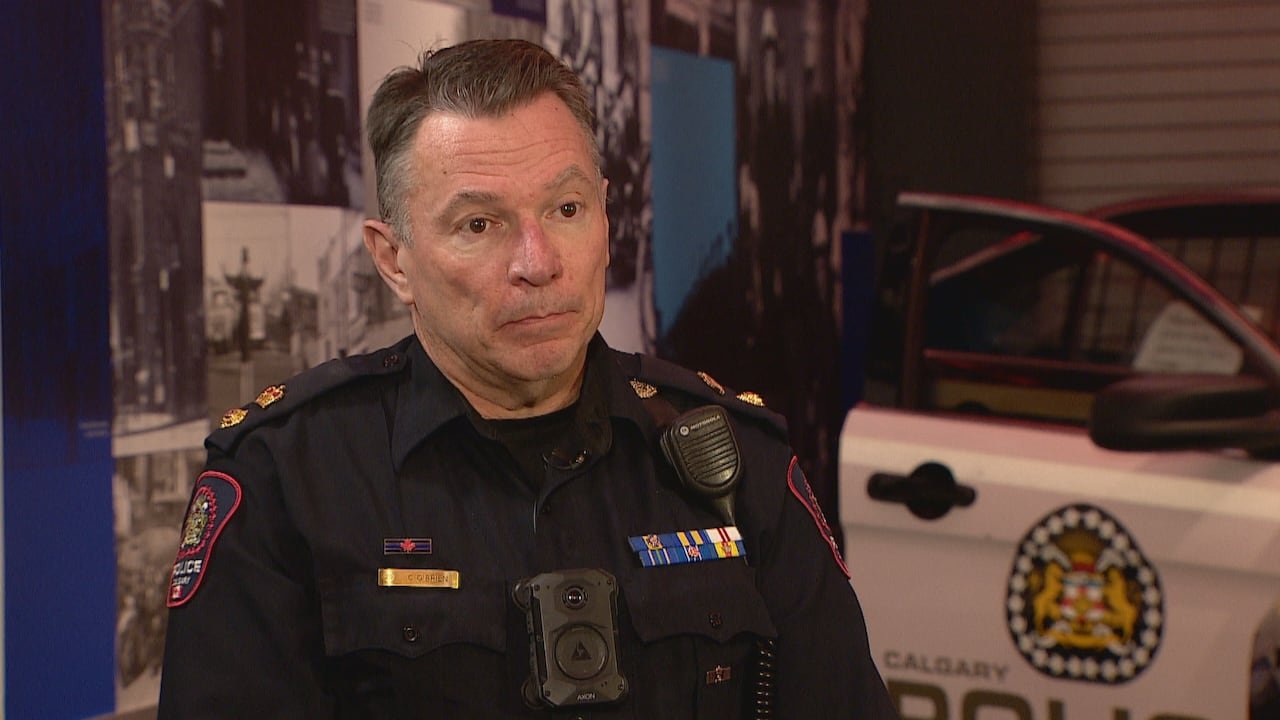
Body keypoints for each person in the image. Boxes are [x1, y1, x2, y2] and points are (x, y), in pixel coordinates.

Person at [158, 38, 897, 718]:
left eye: (566, 209)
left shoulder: (734, 464)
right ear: (393, 261)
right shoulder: (290, 480)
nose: (537, 263)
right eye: (480, 225)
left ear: (607, 221)